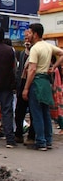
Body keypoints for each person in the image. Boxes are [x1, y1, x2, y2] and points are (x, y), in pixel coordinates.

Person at [22, 23, 63, 151]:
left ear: (35, 34)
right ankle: (48, 140)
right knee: (45, 112)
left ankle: (40, 141)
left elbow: (32, 69)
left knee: (37, 113)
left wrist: (26, 88)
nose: (28, 35)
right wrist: (54, 67)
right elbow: (62, 53)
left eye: (30, 32)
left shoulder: (35, 49)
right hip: (46, 81)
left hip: (37, 81)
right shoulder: (48, 46)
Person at [14, 35, 36, 145]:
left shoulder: (36, 53)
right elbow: (19, 70)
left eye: (28, 39)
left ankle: (31, 136)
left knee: (33, 113)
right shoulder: (22, 54)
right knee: (19, 112)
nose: (26, 41)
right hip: (21, 84)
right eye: (25, 39)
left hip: (32, 85)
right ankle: (18, 134)